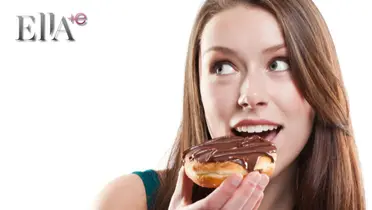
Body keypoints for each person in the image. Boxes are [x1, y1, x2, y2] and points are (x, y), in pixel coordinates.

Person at [98, 0, 366, 209]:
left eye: (278, 64)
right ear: (198, 85)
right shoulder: (127, 201)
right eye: (223, 67)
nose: (249, 95)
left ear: (317, 80)